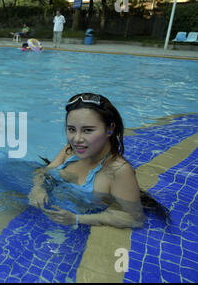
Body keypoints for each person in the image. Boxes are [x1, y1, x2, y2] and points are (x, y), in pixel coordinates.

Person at [28, 93, 163, 228]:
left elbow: (135, 219)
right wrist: (38, 188)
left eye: (87, 130)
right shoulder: (69, 151)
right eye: (71, 129)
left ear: (110, 129)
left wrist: (76, 219)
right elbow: (43, 172)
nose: (76, 139)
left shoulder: (119, 170)